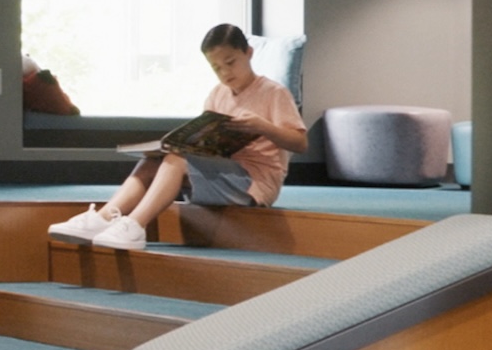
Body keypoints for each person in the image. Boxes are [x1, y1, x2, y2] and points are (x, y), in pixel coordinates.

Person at [51, 23, 305, 251]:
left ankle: (134, 224)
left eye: (230, 62)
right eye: (216, 67)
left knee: (177, 158)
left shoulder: (274, 93)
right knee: (153, 160)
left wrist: (263, 127)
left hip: (254, 182)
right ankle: (103, 218)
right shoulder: (218, 94)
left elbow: (300, 143)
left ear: (248, 53)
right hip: (222, 173)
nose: (225, 73)